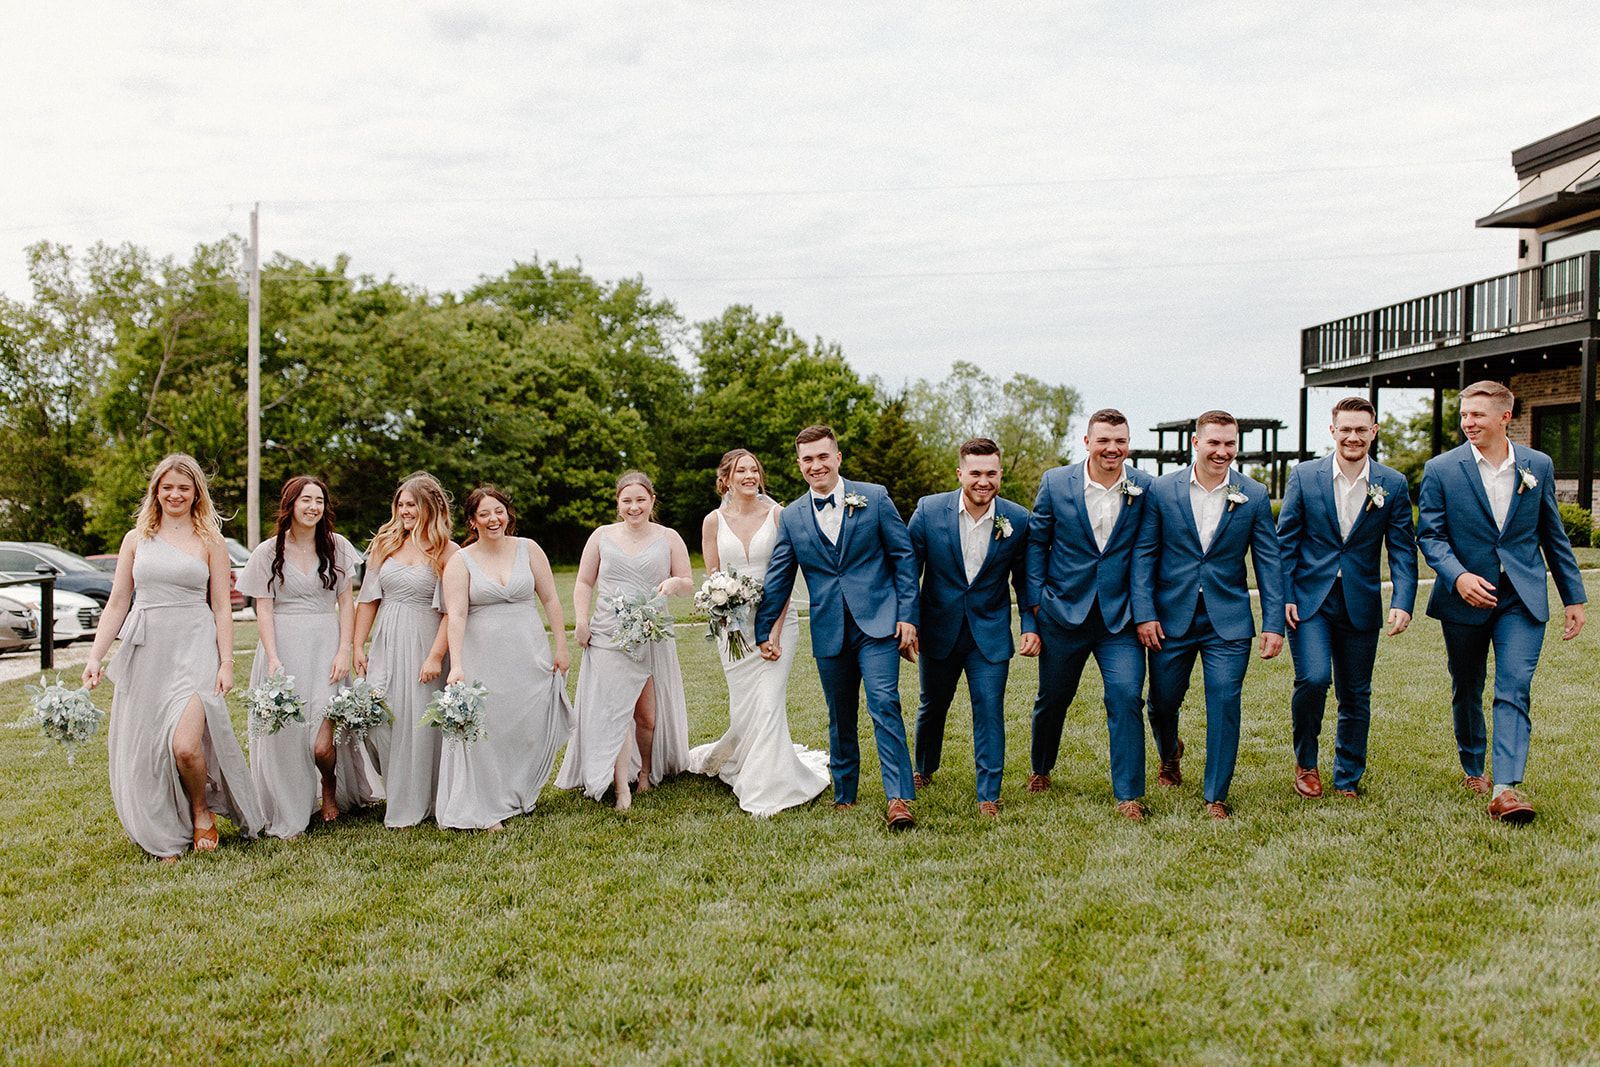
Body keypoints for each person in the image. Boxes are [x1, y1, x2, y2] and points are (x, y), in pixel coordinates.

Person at [1417, 380, 1586, 823]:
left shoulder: (1538, 465)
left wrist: (1574, 597)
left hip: (1522, 596)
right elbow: (1430, 536)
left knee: (1514, 685)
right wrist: (1458, 577)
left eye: (1477, 415)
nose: (1467, 422)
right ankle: (1474, 766)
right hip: (1465, 597)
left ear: (1505, 417)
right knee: (1467, 685)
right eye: (1464, 415)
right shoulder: (1441, 469)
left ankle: (1508, 788)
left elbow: (1553, 533)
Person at [82, 453, 264, 860]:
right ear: (156, 491)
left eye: (184, 487)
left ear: (196, 491)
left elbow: (222, 606)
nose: (175, 494)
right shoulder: (136, 539)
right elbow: (116, 603)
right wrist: (96, 657)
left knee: (185, 746)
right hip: (147, 650)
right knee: (147, 746)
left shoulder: (211, 540)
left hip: (195, 646)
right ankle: (163, 826)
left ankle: (201, 811)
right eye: (168, 487)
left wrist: (226, 662)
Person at [755, 424, 921, 829]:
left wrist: (907, 616)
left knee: (884, 702)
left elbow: (903, 558)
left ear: (838, 457)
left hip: (879, 623)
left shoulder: (875, 497)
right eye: (808, 459)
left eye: (823, 457)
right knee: (839, 712)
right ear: (799, 465)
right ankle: (845, 791)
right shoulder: (792, 516)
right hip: (828, 626)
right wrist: (763, 630)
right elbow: (779, 575)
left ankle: (898, 798)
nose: (816, 466)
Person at [1133, 409, 1285, 819]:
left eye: (1230, 444)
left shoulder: (1252, 494)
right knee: (1162, 703)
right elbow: (1145, 553)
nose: (1222, 452)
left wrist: (1273, 624)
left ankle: (1215, 794)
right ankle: (1169, 753)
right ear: (1196, 443)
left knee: (1224, 700)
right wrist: (1145, 613)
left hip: (1228, 620)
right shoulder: (1161, 491)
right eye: (1214, 443)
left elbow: (1269, 562)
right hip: (1170, 618)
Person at [1277, 397, 1418, 799]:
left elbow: (1404, 549)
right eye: (1345, 429)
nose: (1353, 437)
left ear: (1373, 432)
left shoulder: (1391, 483)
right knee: (1314, 678)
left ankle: (1347, 777)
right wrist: (1285, 594)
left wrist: (1403, 600)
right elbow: (1285, 542)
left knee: (1356, 692)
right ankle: (1306, 764)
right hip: (1310, 600)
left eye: (1361, 429)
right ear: (1333, 431)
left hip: (1360, 600)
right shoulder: (1305, 476)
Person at [1024, 408, 1155, 819]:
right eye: (1103, 440)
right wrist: (1037, 603)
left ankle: (1129, 795)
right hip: (1063, 613)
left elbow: (1145, 552)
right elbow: (1035, 544)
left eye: (1120, 441)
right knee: (1054, 698)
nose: (1112, 449)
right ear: (1087, 442)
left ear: (1128, 444)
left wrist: (1144, 610)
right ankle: (1041, 767)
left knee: (1126, 696)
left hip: (1120, 619)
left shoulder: (1144, 487)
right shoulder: (1055, 482)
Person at [687, 449, 830, 816]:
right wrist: (722, 612)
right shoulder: (712, 522)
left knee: (767, 704)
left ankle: (767, 788)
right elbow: (713, 576)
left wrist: (775, 631)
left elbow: (787, 572)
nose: (749, 475)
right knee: (745, 707)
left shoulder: (779, 515)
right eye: (741, 470)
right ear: (726, 479)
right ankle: (742, 761)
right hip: (733, 629)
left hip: (777, 620)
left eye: (754, 470)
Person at [237, 475, 373, 838]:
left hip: (326, 644)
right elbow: (263, 609)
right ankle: (289, 806)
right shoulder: (268, 552)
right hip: (284, 646)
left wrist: (344, 648)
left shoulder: (337, 546)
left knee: (321, 742)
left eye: (319, 501)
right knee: (286, 736)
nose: (313, 507)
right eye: (306, 500)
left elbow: (347, 601)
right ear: (290, 505)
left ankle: (328, 787)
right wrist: (272, 656)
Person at [906, 438, 1033, 818]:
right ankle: (924, 769)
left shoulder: (1018, 519)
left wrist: (1030, 624)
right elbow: (907, 570)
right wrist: (908, 622)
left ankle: (988, 794)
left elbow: (1025, 580)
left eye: (991, 473)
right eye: (975, 473)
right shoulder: (928, 511)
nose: (983, 481)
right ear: (960, 473)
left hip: (990, 632)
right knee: (933, 705)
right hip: (938, 628)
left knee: (990, 708)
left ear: (1000, 474)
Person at [556, 471, 694, 810]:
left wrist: (675, 585)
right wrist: (583, 620)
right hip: (607, 634)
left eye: (640, 500)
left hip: (650, 634)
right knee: (615, 712)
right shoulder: (601, 536)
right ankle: (621, 788)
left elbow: (688, 580)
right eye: (627, 501)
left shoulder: (669, 536)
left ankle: (645, 771)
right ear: (618, 504)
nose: (634, 507)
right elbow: (584, 583)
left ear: (652, 501)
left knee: (646, 716)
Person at [436, 485, 571, 830]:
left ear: (508, 514)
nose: (493, 519)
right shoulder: (460, 561)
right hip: (483, 656)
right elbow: (457, 615)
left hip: (528, 652)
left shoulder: (529, 549)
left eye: (499, 511)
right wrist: (458, 665)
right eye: (484, 514)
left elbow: (552, 601)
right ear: (472, 521)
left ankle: (517, 794)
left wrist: (561, 646)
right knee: (487, 730)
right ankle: (484, 806)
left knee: (527, 728)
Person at [352, 472, 457, 828]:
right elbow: (367, 600)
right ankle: (397, 789)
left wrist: (436, 656)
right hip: (387, 639)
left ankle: (425, 799)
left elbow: (452, 612)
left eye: (412, 504)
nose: (405, 510)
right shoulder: (385, 543)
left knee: (422, 721)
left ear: (430, 506)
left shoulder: (447, 550)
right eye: (401, 504)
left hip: (427, 641)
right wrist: (357, 644)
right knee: (380, 720)